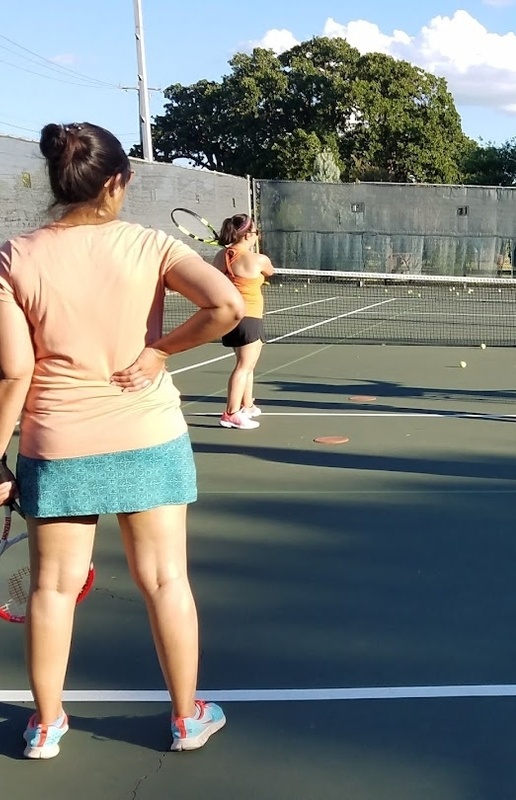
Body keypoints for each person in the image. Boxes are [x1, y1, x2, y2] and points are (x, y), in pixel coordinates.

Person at [0, 122, 244, 758]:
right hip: (147, 433)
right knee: (165, 581)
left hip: (55, 442)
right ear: (116, 183)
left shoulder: (12, 256)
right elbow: (226, 307)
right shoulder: (150, 245)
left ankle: (45, 726)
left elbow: (14, 373)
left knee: (53, 587)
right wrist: (160, 351)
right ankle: (186, 719)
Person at [211, 214, 273, 430]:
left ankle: (247, 405)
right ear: (247, 235)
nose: (257, 235)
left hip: (230, 318)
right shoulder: (258, 259)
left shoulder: (220, 257)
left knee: (247, 365)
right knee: (243, 366)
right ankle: (231, 413)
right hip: (250, 317)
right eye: (256, 232)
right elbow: (270, 272)